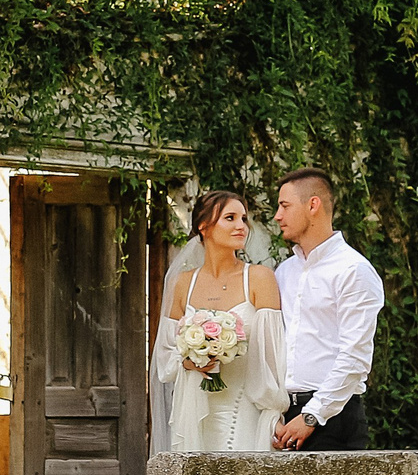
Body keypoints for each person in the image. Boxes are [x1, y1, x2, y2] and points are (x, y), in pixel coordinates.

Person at [151, 189, 289, 452]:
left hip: (245, 413)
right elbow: (165, 359)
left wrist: (273, 414)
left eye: (243, 219)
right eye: (230, 218)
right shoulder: (183, 284)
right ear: (204, 226)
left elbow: (272, 358)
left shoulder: (259, 278)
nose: (241, 226)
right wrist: (189, 361)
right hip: (193, 416)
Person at [270, 166, 384, 451]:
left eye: (284, 206)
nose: (277, 216)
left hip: (334, 419)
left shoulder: (353, 270)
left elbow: (355, 357)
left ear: (313, 205)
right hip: (283, 421)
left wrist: (311, 415)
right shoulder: (283, 272)